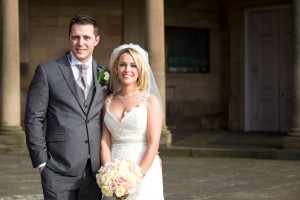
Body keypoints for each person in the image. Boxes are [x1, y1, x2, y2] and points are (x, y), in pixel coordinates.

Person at [24, 14, 110, 200]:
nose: (81, 43)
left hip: (95, 170)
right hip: (57, 168)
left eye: (86, 37)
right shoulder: (47, 71)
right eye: (75, 37)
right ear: (69, 38)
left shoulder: (105, 74)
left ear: (96, 40)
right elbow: (33, 118)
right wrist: (41, 161)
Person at [100, 43, 164, 200]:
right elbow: (105, 141)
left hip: (144, 167)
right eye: (122, 65)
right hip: (114, 167)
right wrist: (108, 174)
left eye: (133, 65)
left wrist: (136, 178)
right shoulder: (108, 101)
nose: (127, 70)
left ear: (140, 70)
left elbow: (153, 144)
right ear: (116, 69)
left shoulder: (150, 101)